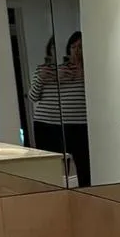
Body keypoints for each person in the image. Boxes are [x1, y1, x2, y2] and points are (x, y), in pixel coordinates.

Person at [27, 32, 91, 186]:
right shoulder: (44, 71)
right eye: (73, 47)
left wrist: (86, 76)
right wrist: (43, 78)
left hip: (79, 125)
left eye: (81, 47)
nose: (77, 51)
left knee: (85, 166)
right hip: (46, 125)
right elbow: (33, 97)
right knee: (51, 169)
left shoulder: (92, 71)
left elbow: (99, 99)